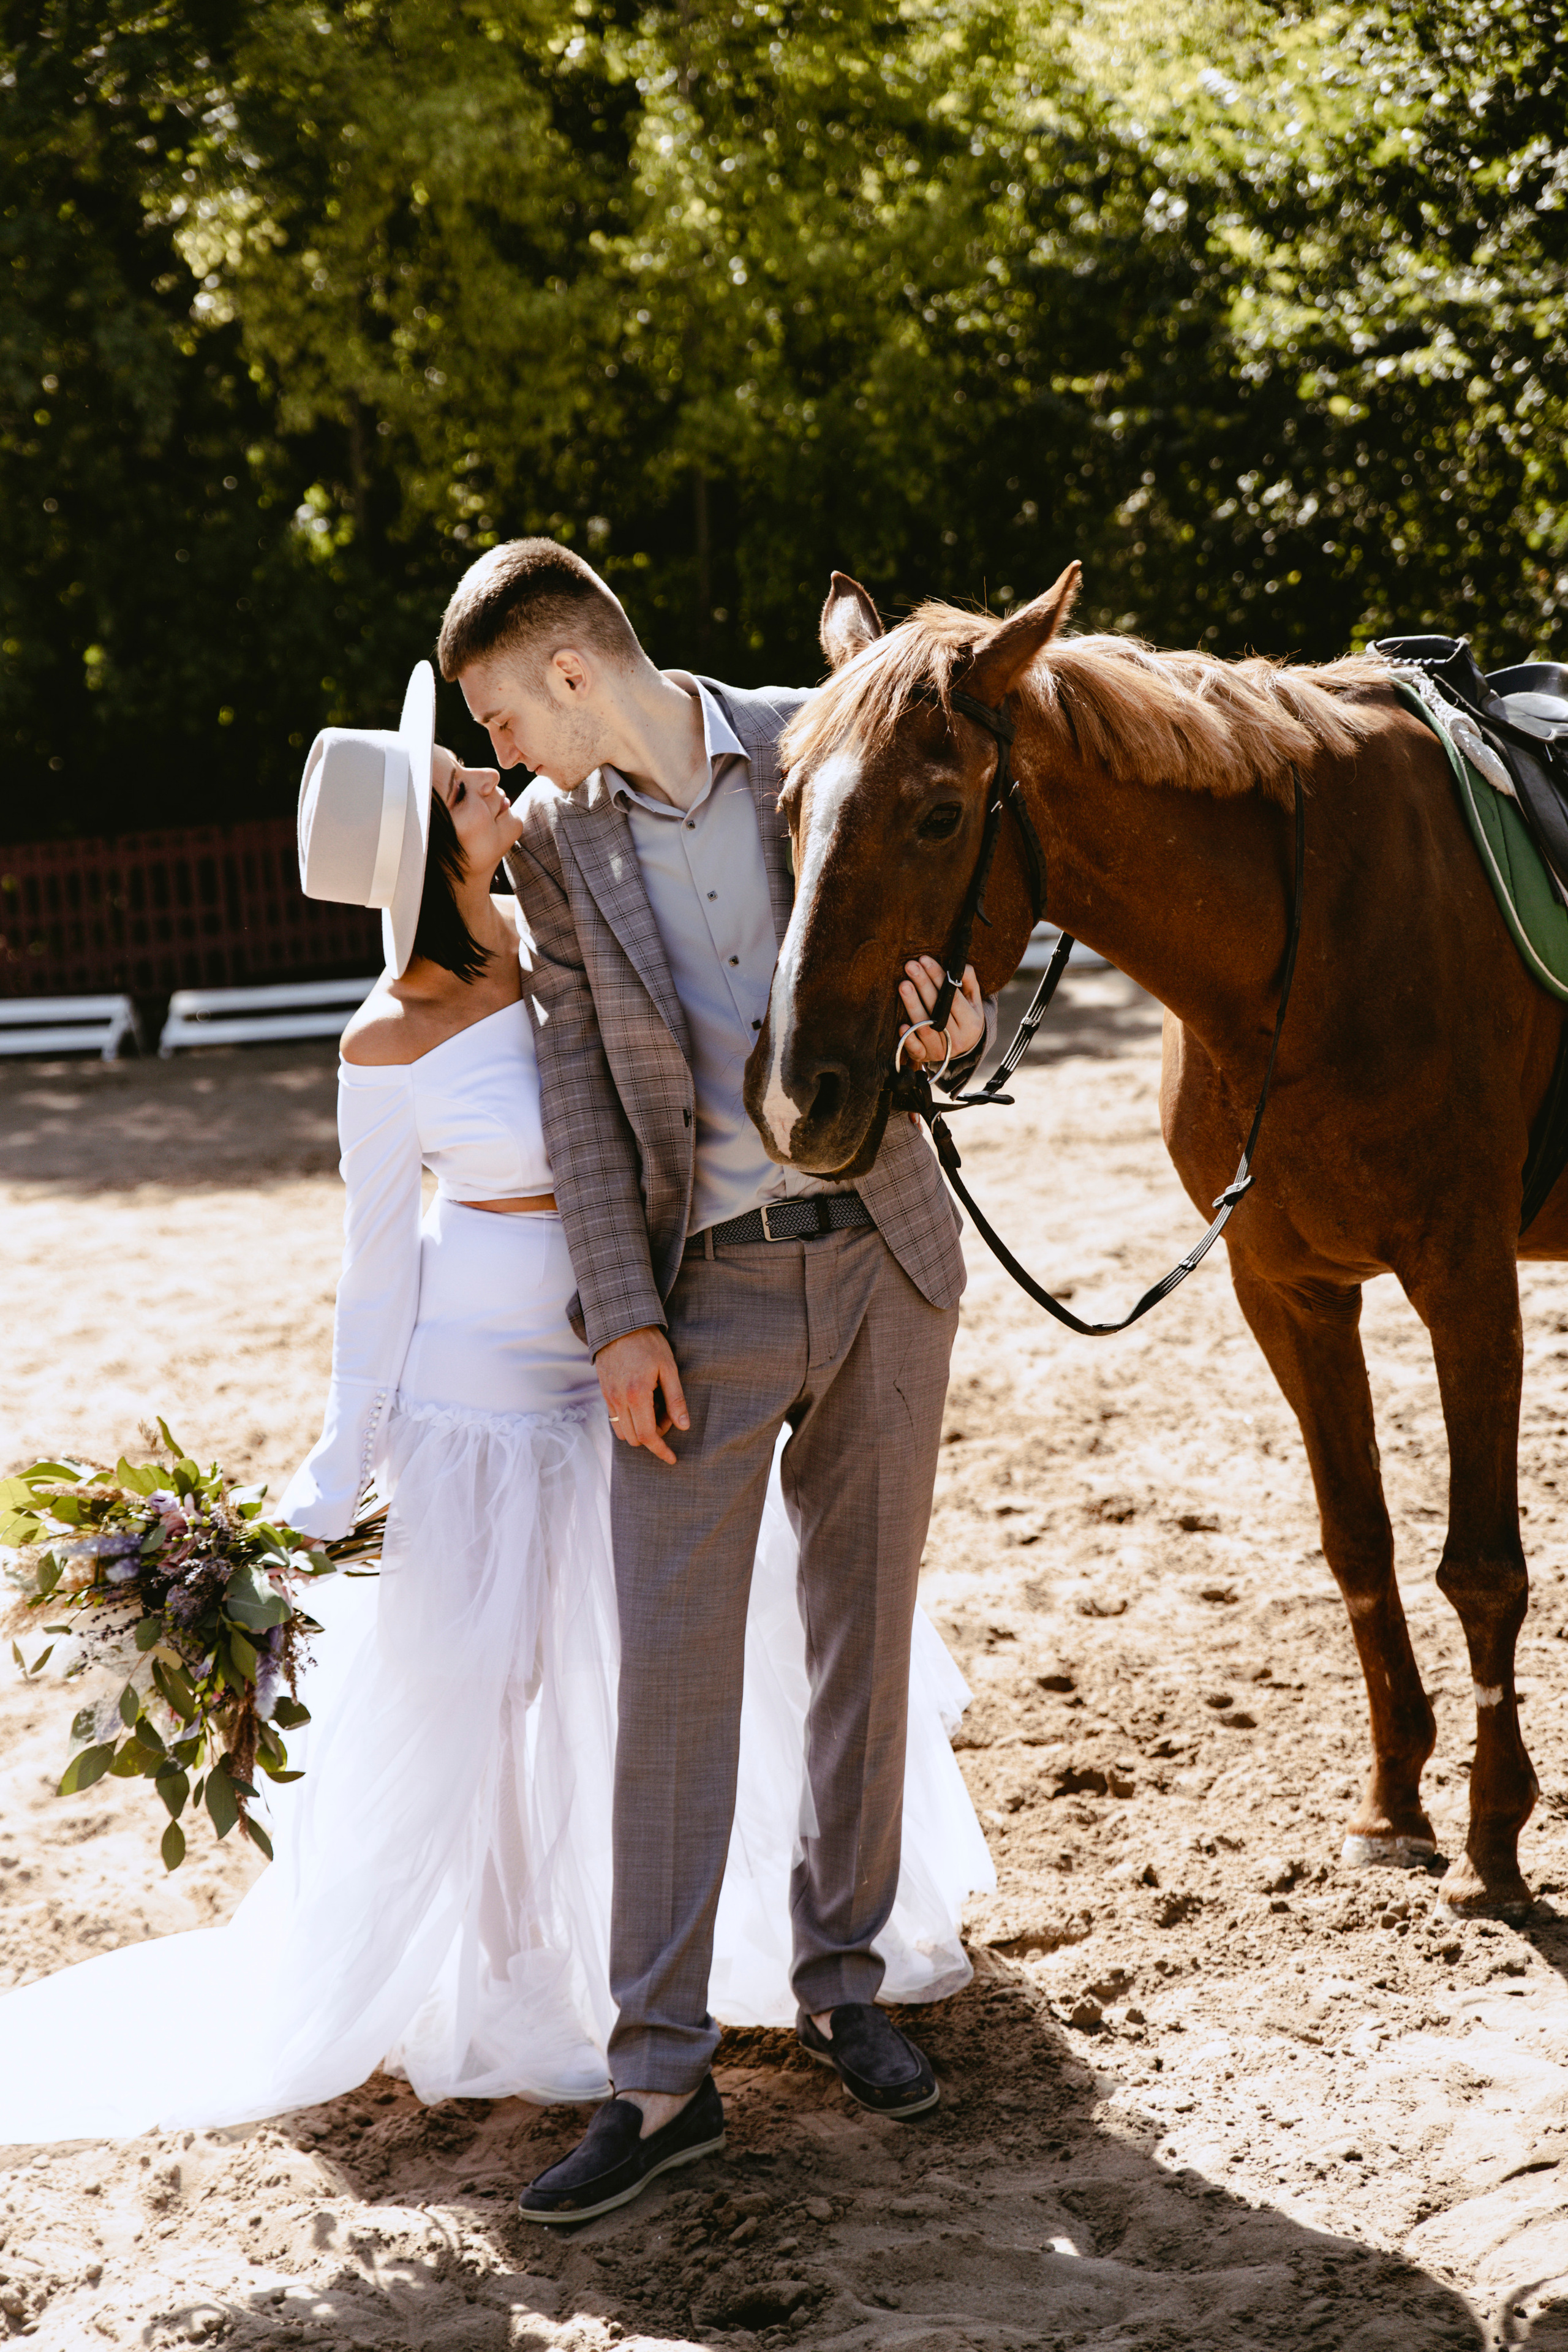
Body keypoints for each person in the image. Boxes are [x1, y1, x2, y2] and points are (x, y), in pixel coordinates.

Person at [0, 663, 992, 2147]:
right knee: (489, 1692)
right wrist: (342, 1462)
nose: (492, 780)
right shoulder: (384, 1039)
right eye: (463, 788)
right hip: (482, 1385)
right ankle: (516, 1973)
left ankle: (752, 1958)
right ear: (427, 851)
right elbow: (374, 1268)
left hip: (629, 1339)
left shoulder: (559, 926)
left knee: (667, 1657)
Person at [437, 543, 994, 2223]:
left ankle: (841, 1983)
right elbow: (578, 1099)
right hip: (707, 1305)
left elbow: (954, 938)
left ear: (572, 674)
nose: (504, 751)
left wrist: (962, 1036)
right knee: (675, 1680)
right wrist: (623, 1320)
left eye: (500, 714)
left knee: (864, 1636)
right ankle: (659, 2076)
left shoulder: (823, 738)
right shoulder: (551, 850)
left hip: (889, 1257)